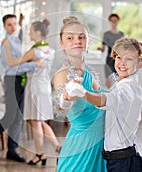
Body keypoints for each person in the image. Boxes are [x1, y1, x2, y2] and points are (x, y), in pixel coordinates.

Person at [64, 37, 142, 172]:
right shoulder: (121, 84)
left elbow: (104, 100)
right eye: (119, 57)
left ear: (140, 63)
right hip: (119, 159)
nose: (122, 63)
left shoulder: (128, 89)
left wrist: (82, 93)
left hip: (123, 162)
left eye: (129, 59)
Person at [0, 14, 39, 162]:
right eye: (9, 24)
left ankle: (12, 150)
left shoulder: (17, 41)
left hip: (20, 80)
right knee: (10, 116)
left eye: (14, 24)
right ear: (4, 26)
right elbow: (11, 65)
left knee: (18, 117)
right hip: (12, 80)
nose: (13, 27)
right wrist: (34, 64)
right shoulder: (6, 42)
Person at [54, 16, 106, 172]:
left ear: (88, 42)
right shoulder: (62, 74)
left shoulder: (89, 73)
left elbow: (104, 101)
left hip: (100, 147)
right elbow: (62, 107)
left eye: (82, 37)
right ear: (61, 44)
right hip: (81, 150)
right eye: (70, 38)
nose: (77, 41)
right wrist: (66, 99)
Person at [5, 19, 60, 165]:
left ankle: (41, 154)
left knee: (36, 122)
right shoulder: (51, 51)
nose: (29, 33)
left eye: (30, 30)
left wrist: (6, 48)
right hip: (45, 88)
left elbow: (12, 63)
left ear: (37, 33)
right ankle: (56, 148)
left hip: (35, 88)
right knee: (40, 121)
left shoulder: (34, 51)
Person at [98, 13, 124, 88]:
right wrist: (100, 49)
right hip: (109, 59)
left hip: (119, 59)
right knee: (108, 78)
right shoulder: (106, 34)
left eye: (115, 20)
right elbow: (103, 48)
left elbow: (123, 48)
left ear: (118, 21)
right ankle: (109, 96)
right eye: (112, 21)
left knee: (119, 79)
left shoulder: (121, 34)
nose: (113, 22)